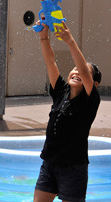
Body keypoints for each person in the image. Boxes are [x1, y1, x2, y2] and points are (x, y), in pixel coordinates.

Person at [33, 21, 102, 202]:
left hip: (73, 168)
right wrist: (43, 36)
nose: (77, 72)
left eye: (83, 71)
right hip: (49, 163)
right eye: (74, 69)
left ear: (94, 84)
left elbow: (85, 74)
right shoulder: (60, 91)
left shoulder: (90, 101)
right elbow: (50, 61)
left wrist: (70, 41)